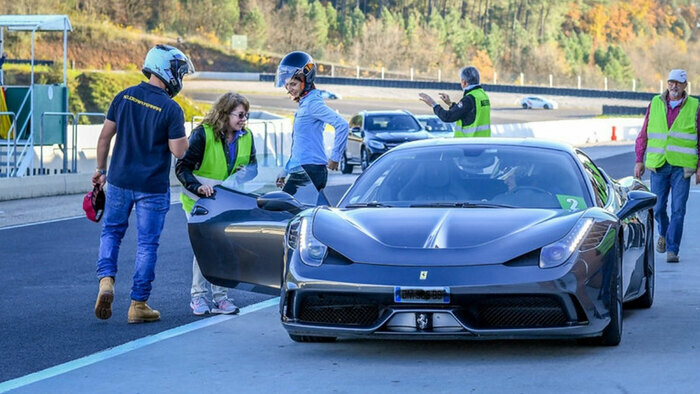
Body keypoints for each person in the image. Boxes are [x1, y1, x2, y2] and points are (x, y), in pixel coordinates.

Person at [92, 44, 194, 323]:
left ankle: (106, 281)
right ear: (167, 70)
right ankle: (138, 305)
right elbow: (179, 152)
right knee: (147, 245)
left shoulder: (123, 97)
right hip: (152, 187)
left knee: (111, 232)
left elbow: (104, 138)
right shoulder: (172, 109)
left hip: (120, 180)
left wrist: (101, 170)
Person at [176, 92, 258, 315]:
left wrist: (245, 174)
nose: (244, 120)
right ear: (225, 113)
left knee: (223, 246)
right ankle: (198, 297)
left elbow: (254, 168)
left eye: (246, 115)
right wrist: (197, 187)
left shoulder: (247, 136)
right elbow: (182, 167)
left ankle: (220, 298)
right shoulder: (203, 135)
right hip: (197, 201)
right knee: (206, 246)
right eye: (240, 115)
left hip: (225, 201)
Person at [634, 69, 700, 263]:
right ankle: (663, 232)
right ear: (667, 83)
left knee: (679, 209)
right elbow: (644, 133)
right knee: (659, 207)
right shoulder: (655, 103)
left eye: (678, 83)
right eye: (671, 82)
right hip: (659, 165)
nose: (674, 86)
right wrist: (639, 159)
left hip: (682, 168)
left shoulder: (695, 106)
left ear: (685, 86)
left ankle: (673, 249)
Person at [272, 51, 348, 195]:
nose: (289, 89)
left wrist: (335, 157)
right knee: (289, 211)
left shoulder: (313, 104)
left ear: (306, 80)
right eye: (287, 85)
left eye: (293, 84)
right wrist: (285, 170)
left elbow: (342, 125)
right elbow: (301, 145)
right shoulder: (305, 103)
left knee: (281, 208)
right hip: (302, 169)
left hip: (310, 171)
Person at [418, 66, 491, 138]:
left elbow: (447, 117)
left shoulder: (469, 99)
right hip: (483, 143)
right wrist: (450, 103)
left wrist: (433, 104)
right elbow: (466, 113)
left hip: (469, 144)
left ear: (463, 82)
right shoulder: (483, 96)